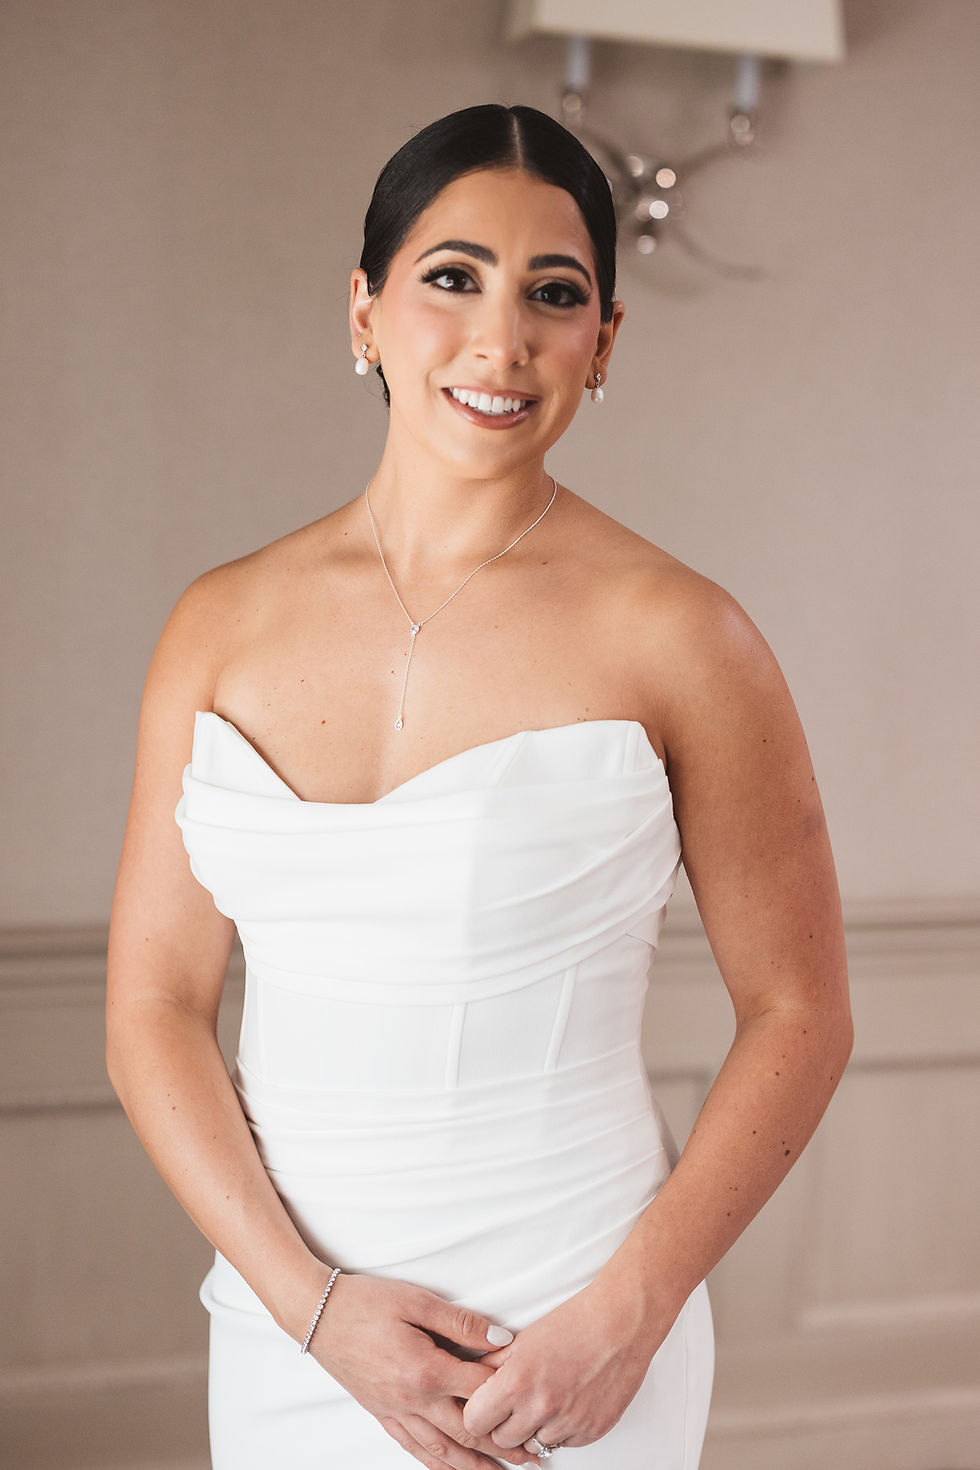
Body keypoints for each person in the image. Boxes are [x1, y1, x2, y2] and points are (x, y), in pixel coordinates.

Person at [106, 103, 852, 1470]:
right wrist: (309, 1306)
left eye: (553, 295)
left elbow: (801, 1009)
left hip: (572, 1333)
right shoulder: (216, 626)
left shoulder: (687, 637)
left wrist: (630, 1311)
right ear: (366, 309)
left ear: (604, 341)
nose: (501, 339)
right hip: (294, 1334)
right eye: (452, 276)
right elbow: (154, 1006)